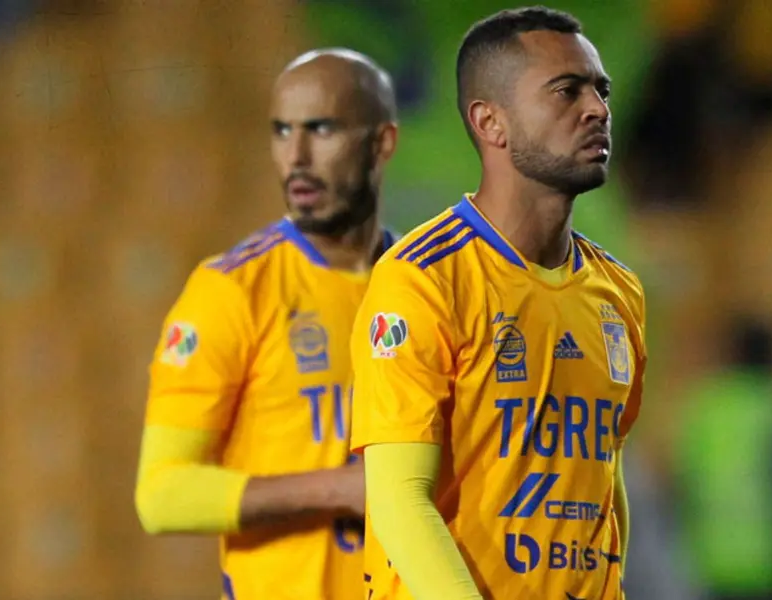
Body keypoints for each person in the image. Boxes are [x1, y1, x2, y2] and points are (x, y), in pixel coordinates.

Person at [349, 7, 645, 600]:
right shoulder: (424, 278)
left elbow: (602, 481)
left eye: (600, 90)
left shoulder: (619, 293)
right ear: (491, 122)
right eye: (566, 91)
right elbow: (399, 499)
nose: (597, 109)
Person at [134, 47, 400, 600]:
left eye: (321, 129)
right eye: (281, 132)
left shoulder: (429, 286)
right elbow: (160, 495)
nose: (296, 156)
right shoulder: (232, 291)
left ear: (382, 143)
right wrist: (343, 490)